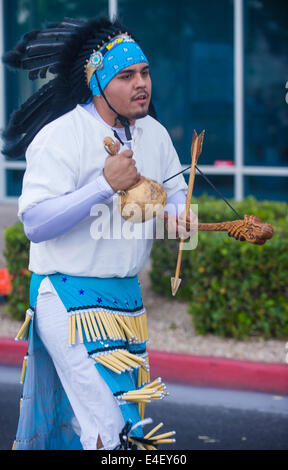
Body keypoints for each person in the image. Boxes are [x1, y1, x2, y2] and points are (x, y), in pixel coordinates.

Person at [3, 15, 195, 450]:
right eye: (126, 76)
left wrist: (185, 219)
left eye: (144, 72)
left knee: (125, 428)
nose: (141, 83)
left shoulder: (155, 134)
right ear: (97, 82)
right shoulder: (60, 137)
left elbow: (177, 196)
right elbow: (34, 223)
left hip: (128, 303)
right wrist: (105, 185)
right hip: (67, 298)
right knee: (116, 433)